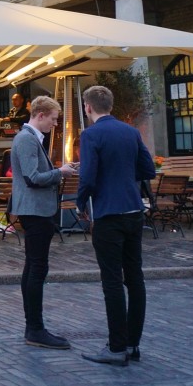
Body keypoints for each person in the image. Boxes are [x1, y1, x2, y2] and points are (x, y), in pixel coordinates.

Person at [76, 85, 155, 366]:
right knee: (135, 278)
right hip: (134, 210)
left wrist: (80, 202)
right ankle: (133, 344)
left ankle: (116, 347)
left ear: (88, 107)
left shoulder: (91, 134)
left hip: (108, 215)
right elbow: (148, 170)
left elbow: (87, 176)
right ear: (110, 104)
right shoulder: (131, 132)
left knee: (112, 281)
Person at [10, 95, 77, 350]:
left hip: (36, 210)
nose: (55, 124)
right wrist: (60, 173)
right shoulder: (27, 139)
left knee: (33, 266)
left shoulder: (30, 138)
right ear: (40, 115)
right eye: (53, 119)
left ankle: (34, 327)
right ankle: (35, 328)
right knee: (37, 268)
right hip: (36, 211)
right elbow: (33, 177)